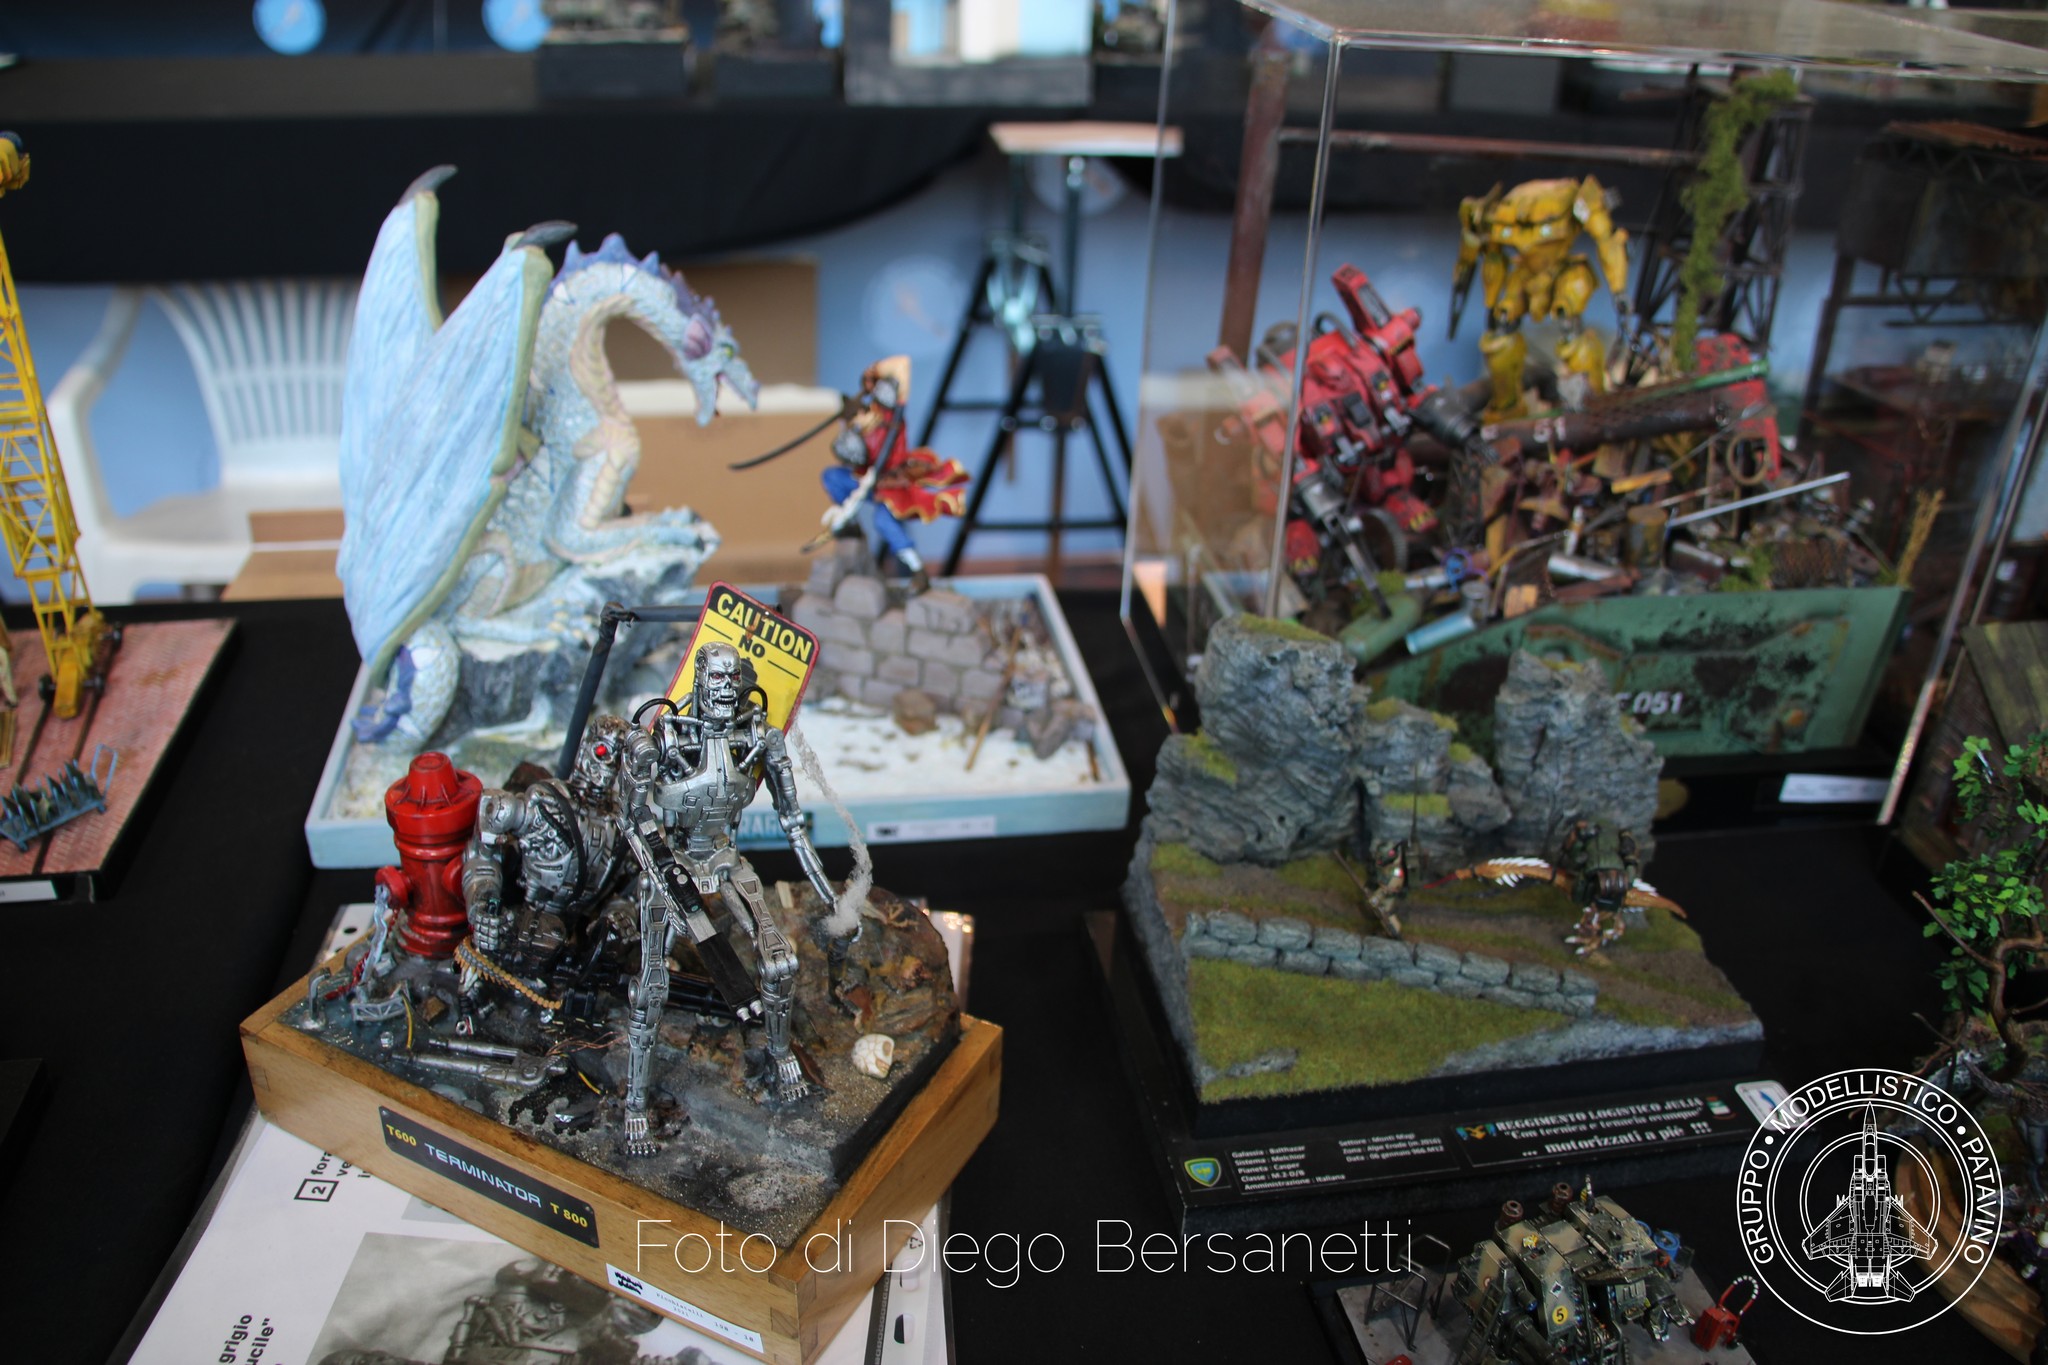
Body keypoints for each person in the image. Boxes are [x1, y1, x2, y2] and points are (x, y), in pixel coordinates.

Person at [821, 356, 969, 593]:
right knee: (832, 477)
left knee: (885, 522)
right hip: (867, 481)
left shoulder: (892, 418)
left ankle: (917, 571)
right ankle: (851, 527)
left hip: (892, 485)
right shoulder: (861, 422)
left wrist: (874, 370)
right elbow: (853, 452)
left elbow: (903, 364)